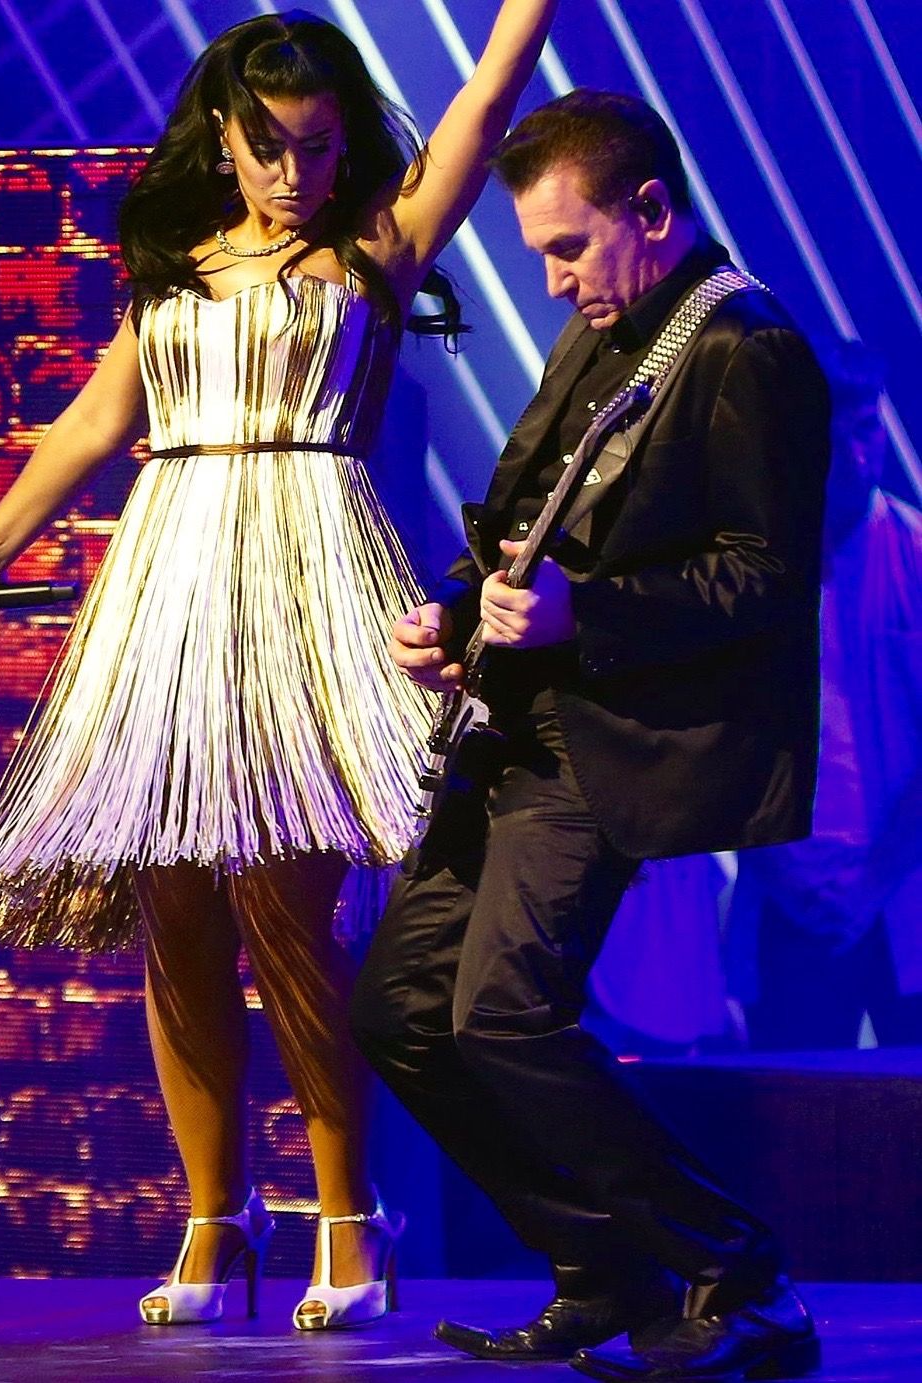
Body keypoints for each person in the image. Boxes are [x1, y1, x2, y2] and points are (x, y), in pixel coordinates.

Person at [0, 4, 556, 1332]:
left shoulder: (373, 245)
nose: (295, 173)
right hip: (175, 580)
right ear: (222, 138)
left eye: (317, 146)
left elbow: (486, 98)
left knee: (290, 916)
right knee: (177, 912)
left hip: (305, 575)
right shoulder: (176, 268)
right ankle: (213, 1211)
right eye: (270, 148)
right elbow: (98, 419)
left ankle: (348, 1216)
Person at [351, 90, 829, 1379]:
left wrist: (588, 613)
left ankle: (747, 1282)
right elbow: (526, 524)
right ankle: (604, 1269)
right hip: (518, 723)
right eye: (543, 257)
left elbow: (768, 576)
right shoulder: (609, 331)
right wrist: (457, 616)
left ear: (650, 211)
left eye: (569, 247)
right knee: (399, 1012)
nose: (556, 282)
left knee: (505, 1012)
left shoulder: (745, 347)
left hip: (610, 735)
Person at [728, 340, 922, 1050]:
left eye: (869, 430)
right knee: (791, 1102)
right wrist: (778, 867)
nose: (860, 456)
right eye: (838, 438)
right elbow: (719, 740)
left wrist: (874, 878)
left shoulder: (916, 554)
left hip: (906, 888)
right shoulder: (742, 571)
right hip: (787, 894)